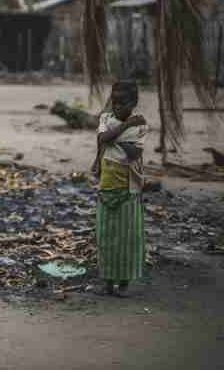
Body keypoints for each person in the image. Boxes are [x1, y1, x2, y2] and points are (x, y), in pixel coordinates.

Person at [92, 79, 147, 297]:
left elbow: (135, 154)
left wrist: (113, 139)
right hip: (106, 187)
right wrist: (125, 128)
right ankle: (107, 284)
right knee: (105, 236)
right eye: (114, 102)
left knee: (127, 238)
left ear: (133, 102)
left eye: (122, 103)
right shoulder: (106, 118)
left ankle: (123, 284)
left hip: (128, 190)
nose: (116, 106)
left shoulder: (141, 125)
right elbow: (102, 138)